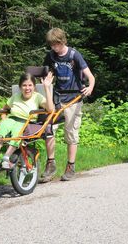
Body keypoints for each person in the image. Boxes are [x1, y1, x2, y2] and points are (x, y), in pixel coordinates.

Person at [39, 28, 96, 182]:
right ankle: (51, 164)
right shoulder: (51, 56)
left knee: (70, 132)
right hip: (57, 97)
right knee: (48, 128)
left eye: (56, 45)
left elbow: (90, 76)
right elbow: (44, 74)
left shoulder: (74, 55)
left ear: (62, 41)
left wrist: (90, 88)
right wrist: (44, 83)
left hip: (74, 98)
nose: (54, 48)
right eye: (52, 45)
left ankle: (71, 166)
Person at [0, 72, 54, 170]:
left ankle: (6, 158)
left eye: (30, 85)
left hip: (25, 121)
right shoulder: (15, 96)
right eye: (24, 85)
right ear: (20, 87)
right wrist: (3, 119)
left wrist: (46, 88)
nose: (27, 88)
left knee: (17, 133)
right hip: (11, 119)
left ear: (34, 87)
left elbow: (50, 109)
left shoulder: (37, 97)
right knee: (2, 129)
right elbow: (4, 108)